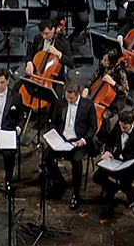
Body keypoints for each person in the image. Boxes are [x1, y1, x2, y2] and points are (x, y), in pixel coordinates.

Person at [41, 79, 97, 209]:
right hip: (62, 140)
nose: (69, 101)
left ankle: (76, 194)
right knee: (46, 157)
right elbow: (54, 122)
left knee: (77, 161)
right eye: (67, 97)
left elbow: (93, 127)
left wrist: (83, 140)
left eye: (71, 98)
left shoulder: (88, 105)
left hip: (78, 142)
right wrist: (53, 136)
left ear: (77, 95)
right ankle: (60, 181)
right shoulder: (60, 103)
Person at [92, 108, 134, 213]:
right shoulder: (118, 127)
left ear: (132, 123)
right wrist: (107, 151)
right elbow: (109, 141)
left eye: (125, 127)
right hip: (116, 160)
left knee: (124, 181)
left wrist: (126, 161)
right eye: (121, 126)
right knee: (97, 176)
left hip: (132, 165)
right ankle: (112, 188)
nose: (122, 129)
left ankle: (131, 194)